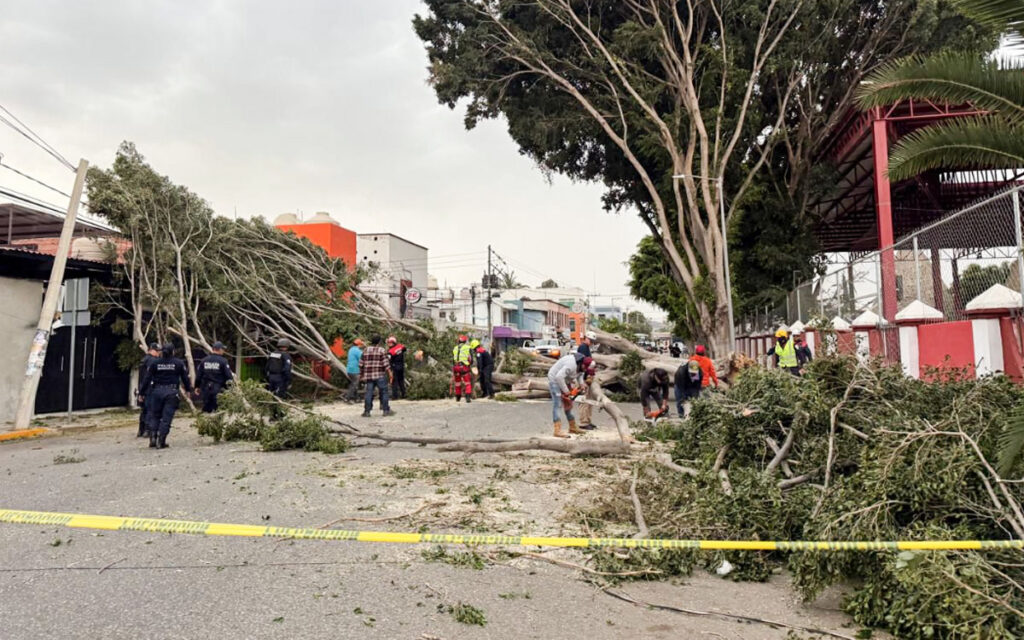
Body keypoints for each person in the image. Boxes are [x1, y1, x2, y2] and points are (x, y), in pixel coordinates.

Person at [139, 343, 192, 449]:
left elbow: (146, 378)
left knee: (155, 416)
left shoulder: (155, 363)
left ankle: (153, 438)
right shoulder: (178, 363)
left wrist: (142, 393)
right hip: (171, 392)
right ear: (173, 351)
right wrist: (188, 390)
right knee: (166, 418)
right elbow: (185, 378)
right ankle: (161, 441)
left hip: (156, 392)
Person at [547, 352, 585, 438]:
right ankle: (557, 430)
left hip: (564, 380)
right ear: (581, 364)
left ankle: (572, 427)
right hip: (555, 380)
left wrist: (582, 385)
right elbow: (559, 377)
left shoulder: (582, 366)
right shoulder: (571, 365)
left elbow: (580, 375)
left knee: (568, 404)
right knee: (558, 404)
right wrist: (566, 391)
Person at [359, 336, 393, 417]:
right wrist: (390, 374)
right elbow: (386, 364)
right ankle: (385, 410)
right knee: (384, 392)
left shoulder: (365, 350)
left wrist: (361, 375)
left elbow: (361, 364)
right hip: (380, 375)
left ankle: (367, 411)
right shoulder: (381, 350)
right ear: (379, 342)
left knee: (369, 393)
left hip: (369, 376)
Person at [196, 341, 233, 412]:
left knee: (207, 410)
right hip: (218, 389)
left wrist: (197, 386)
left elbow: (199, 375)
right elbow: (228, 376)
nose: (223, 351)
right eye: (223, 349)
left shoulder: (204, 360)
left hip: (206, 389)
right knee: (218, 410)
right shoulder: (223, 361)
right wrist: (230, 388)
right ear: (219, 349)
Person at [136, 342, 160, 437]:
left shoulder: (144, 359)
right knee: (151, 409)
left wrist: (140, 391)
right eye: (157, 351)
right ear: (152, 350)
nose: (158, 353)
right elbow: (150, 376)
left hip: (143, 387)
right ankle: (147, 430)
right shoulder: (153, 361)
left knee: (144, 410)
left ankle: (141, 430)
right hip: (150, 387)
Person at [452, 335, 473, 403]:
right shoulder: (468, 348)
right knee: (467, 383)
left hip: (456, 367)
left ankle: (458, 397)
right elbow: (471, 359)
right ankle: (468, 397)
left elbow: (453, 359)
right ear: (465, 341)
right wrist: (469, 365)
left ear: (459, 341)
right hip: (463, 367)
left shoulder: (455, 348)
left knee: (457, 382)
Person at [344, 338, 364, 403]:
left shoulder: (351, 349)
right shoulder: (357, 350)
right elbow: (363, 357)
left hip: (349, 370)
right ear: (359, 344)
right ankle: (347, 398)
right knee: (354, 384)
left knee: (354, 384)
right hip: (355, 370)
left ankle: (357, 398)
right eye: (361, 344)